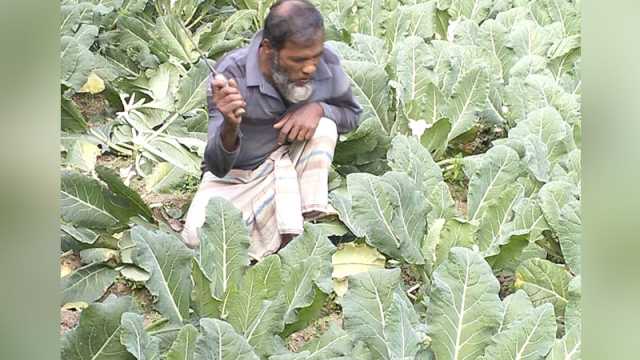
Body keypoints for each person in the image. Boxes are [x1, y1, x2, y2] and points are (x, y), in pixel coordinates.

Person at [181, 0, 363, 260]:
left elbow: (352, 115)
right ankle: (279, 230)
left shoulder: (325, 62)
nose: (311, 67)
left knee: (324, 127)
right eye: (298, 59)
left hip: (292, 159)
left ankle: (301, 228)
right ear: (268, 49)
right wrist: (230, 126)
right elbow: (217, 166)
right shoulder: (232, 74)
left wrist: (320, 109)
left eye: (316, 56)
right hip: (240, 175)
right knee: (197, 237)